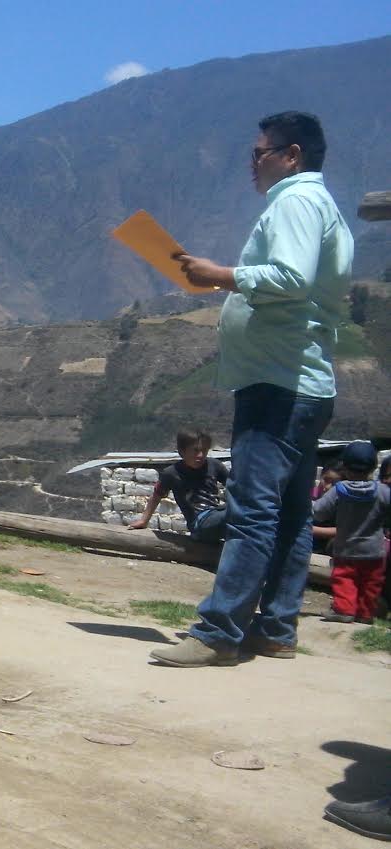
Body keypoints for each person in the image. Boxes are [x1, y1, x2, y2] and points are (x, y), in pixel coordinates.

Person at [150, 111, 353, 668]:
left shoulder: (295, 201)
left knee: (253, 510)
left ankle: (219, 630)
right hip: (299, 381)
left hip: (279, 383)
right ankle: (277, 627)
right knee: (289, 514)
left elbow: (290, 277)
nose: (252, 162)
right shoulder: (314, 203)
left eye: (259, 152)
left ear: (291, 155)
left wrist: (220, 274)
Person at [311, 441, 389, 624]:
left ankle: (345, 610)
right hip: (374, 551)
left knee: (345, 579)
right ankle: (365, 613)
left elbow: (320, 512)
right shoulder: (382, 491)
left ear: (344, 467)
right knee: (371, 583)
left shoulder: (339, 490)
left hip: (346, 549)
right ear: (373, 467)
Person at [126, 428, 228, 542]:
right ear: (182, 452)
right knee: (234, 513)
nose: (200, 455)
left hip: (217, 515)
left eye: (204, 450)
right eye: (195, 450)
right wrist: (144, 521)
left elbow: (235, 488)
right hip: (199, 524)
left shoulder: (215, 465)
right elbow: (157, 496)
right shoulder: (171, 473)